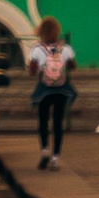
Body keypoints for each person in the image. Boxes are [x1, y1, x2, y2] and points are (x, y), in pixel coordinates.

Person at [26, 16, 76, 170]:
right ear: (56, 31)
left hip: (44, 91)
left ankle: (45, 151)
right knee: (57, 123)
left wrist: (41, 66)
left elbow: (32, 72)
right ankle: (55, 158)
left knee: (43, 121)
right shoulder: (65, 48)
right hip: (61, 90)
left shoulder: (36, 49)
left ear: (41, 32)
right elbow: (72, 66)